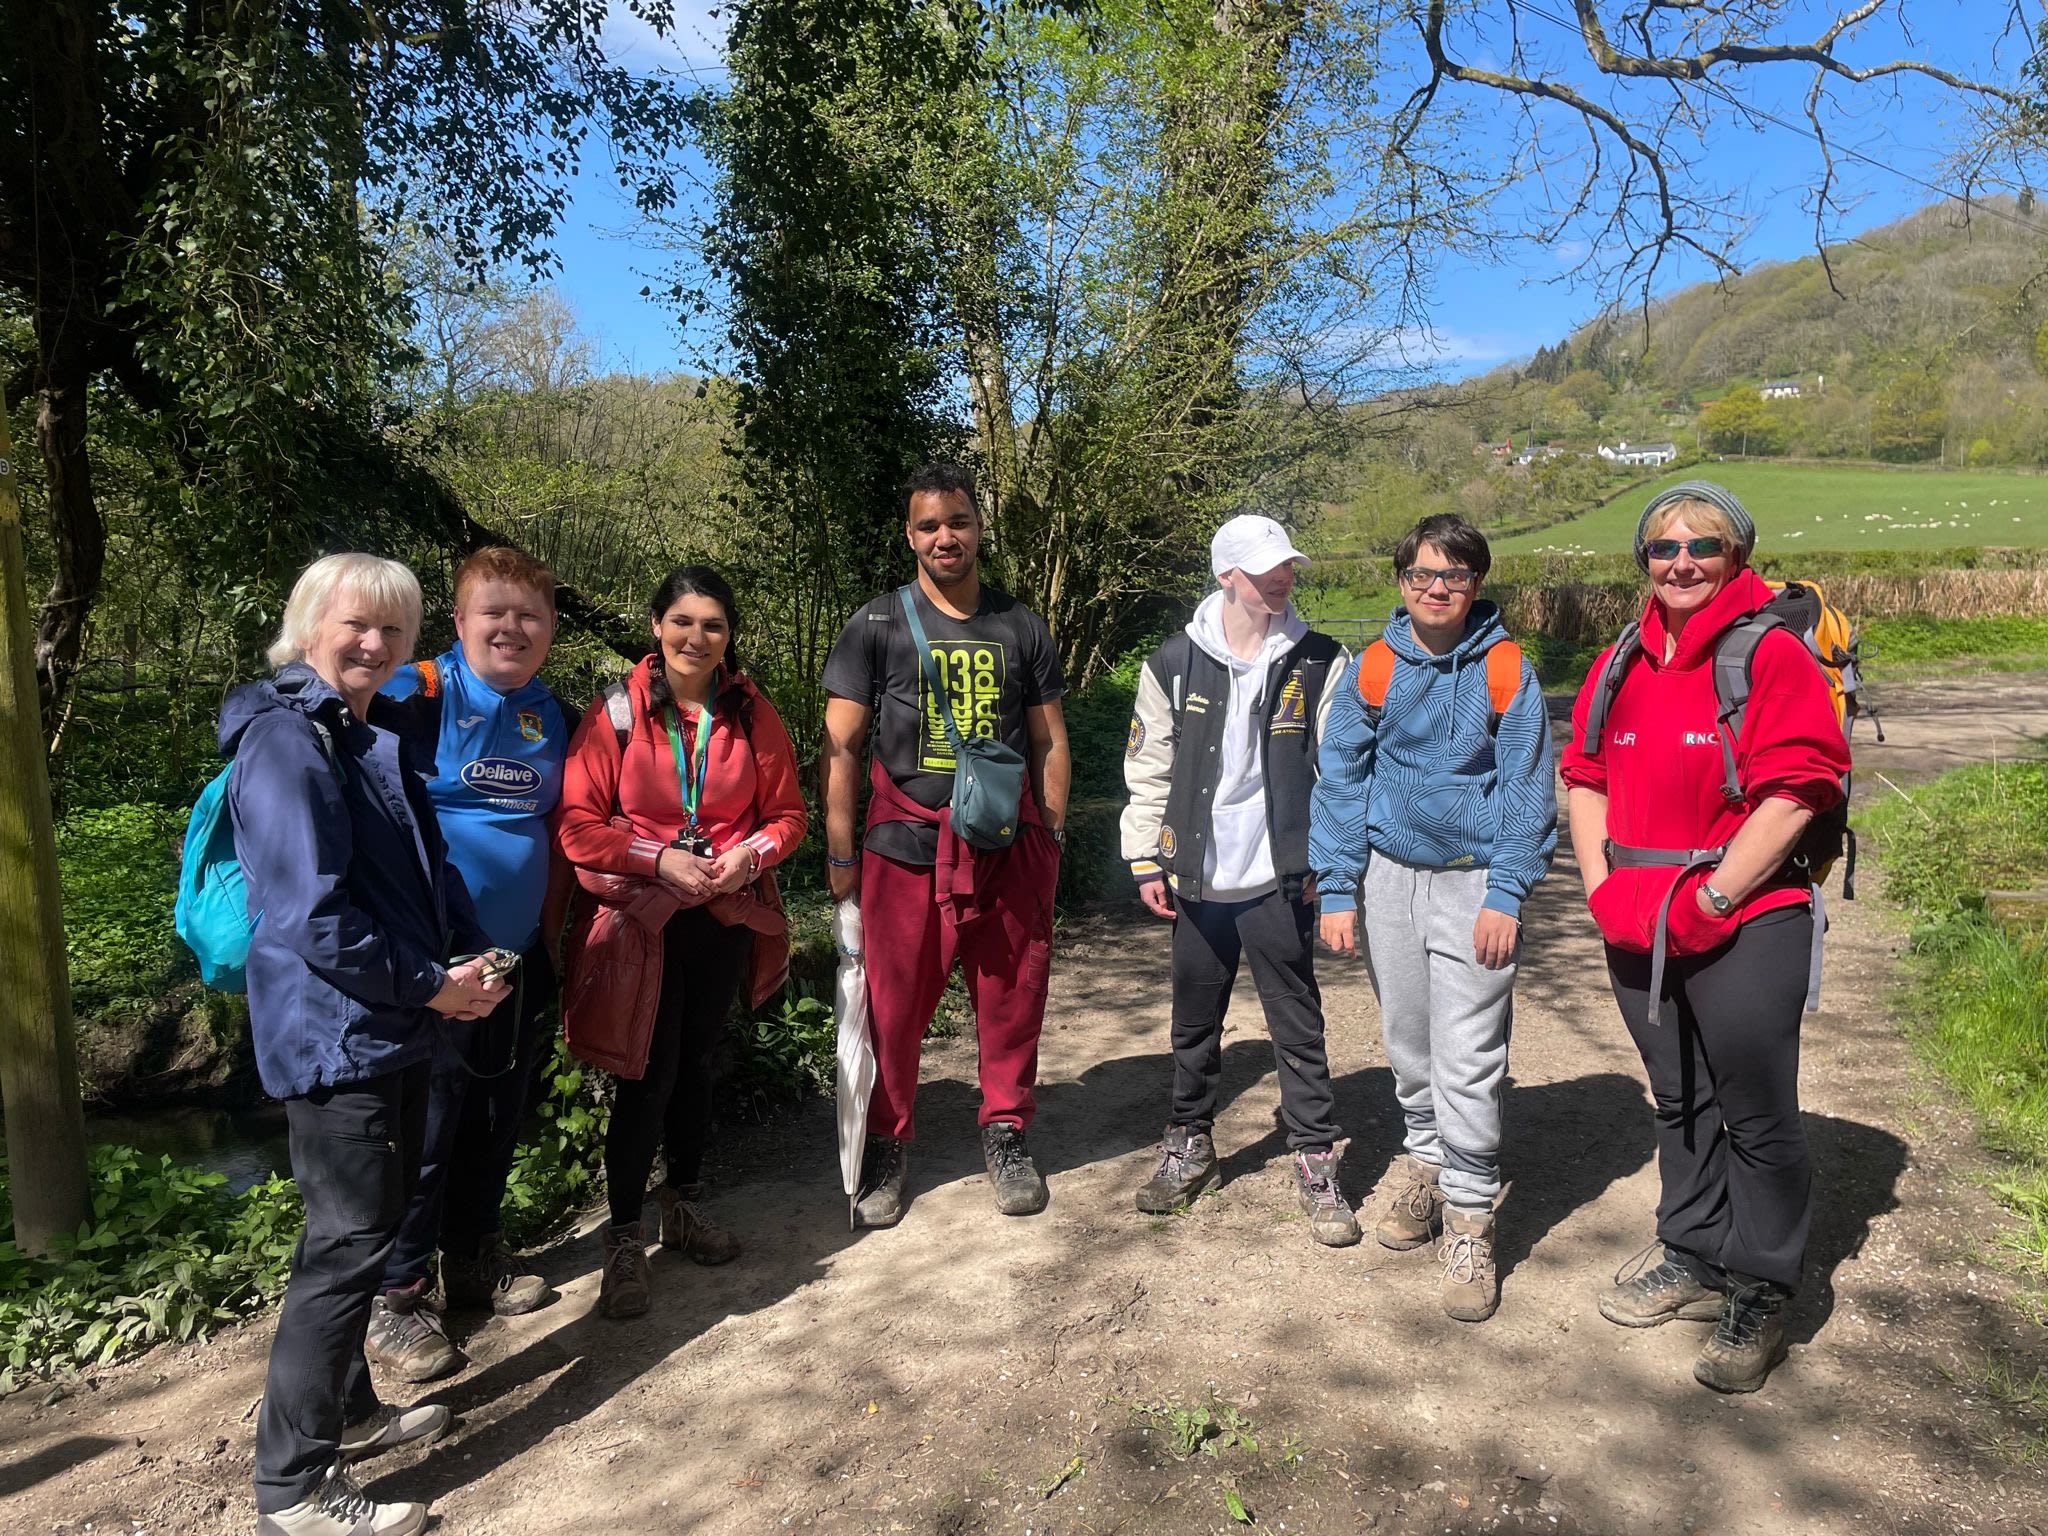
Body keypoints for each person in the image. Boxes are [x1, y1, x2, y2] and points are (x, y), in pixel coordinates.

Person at [224, 553, 510, 1536]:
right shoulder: (283, 742)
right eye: (357, 625)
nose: (375, 645)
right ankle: (295, 1490)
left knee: (355, 1227)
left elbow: (415, 876)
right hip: (333, 1030)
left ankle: (347, 1413)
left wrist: (463, 955)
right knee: (347, 1245)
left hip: (384, 1025)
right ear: (309, 623)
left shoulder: (358, 732)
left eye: (393, 631)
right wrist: (433, 987)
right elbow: (315, 914)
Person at [1561, 481, 1850, 1393]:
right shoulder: (1622, 658)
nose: (1681, 561)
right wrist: (1602, 890)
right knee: (1678, 1097)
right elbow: (1584, 773)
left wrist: (1718, 901)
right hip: (1637, 918)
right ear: (1642, 560)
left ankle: (1761, 1285)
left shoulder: (1766, 652)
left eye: (1704, 545)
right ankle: (1690, 1250)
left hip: (1747, 917)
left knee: (1755, 1110)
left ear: (1737, 555)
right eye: (1662, 547)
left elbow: (1799, 787)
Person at [1310, 513, 1557, 1323]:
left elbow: (1526, 789)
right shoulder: (1373, 667)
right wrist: (1339, 887)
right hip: (1387, 879)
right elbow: (1340, 777)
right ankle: (1424, 1163)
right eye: (1421, 574)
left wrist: (1506, 893)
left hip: (1472, 883)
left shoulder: (1508, 669)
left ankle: (1471, 1216)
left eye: (1453, 574)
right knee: (1408, 1042)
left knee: (1471, 1051)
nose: (1437, 588)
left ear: (1476, 582)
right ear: (1402, 581)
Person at [819, 462, 1070, 1227]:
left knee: (1012, 1000)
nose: (944, 537)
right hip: (901, 849)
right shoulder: (875, 624)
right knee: (894, 1011)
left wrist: (1050, 841)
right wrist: (839, 858)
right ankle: (890, 1145)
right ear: (909, 535)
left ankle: (1007, 1132)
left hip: (1005, 849)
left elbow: (1049, 740)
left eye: (957, 521)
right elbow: (840, 748)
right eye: (928, 526)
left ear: (978, 525)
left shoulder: (1021, 624)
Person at [557, 565, 806, 1319]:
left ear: (729, 636)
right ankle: (624, 1240)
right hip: (641, 919)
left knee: (698, 1064)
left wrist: (747, 859)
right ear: (656, 626)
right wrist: (658, 857)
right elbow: (577, 825)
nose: (697, 637)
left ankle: (684, 1206)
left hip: (721, 917)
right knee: (645, 1074)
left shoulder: (749, 711)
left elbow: (786, 815)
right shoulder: (617, 711)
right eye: (683, 622)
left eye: (714, 625)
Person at [360, 547, 575, 1382]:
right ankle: (394, 1295)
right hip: (430, 967)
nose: (512, 628)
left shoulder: (548, 714)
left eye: (530, 614)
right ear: (459, 621)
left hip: (514, 957)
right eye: (495, 612)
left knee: (495, 1113)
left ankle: (474, 1260)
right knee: (427, 1128)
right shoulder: (414, 695)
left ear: (551, 628)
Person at [1119, 515, 1357, 1245]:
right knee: (1193, 1022)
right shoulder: (1172, 662)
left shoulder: (1322, 658)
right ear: (1227, 575)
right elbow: (1147, 765)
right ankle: (1189, 1142)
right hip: (1196, 874)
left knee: (1298, 1021)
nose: (1281, 579)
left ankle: (1315, 1158)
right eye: (1263, 570)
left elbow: (1341, 773)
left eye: (1286, 566)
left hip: (1278, 877)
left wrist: (1331, 862)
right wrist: (1143, 856)